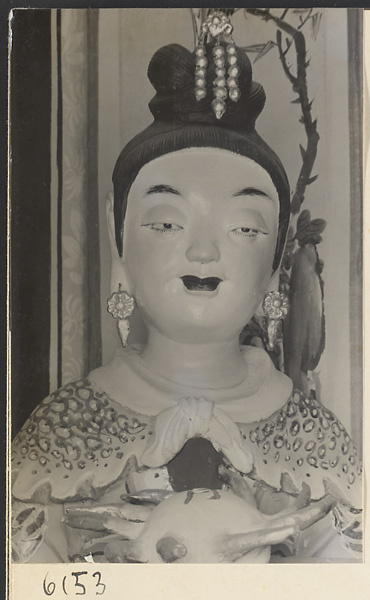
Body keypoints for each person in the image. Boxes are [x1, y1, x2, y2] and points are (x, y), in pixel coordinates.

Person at [12, 35, 362, 564]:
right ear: (120, 244)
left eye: (244, 228)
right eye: (166, 223)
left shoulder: (314, 436)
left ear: (274, 267)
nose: (203, 252)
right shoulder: (66, 427)